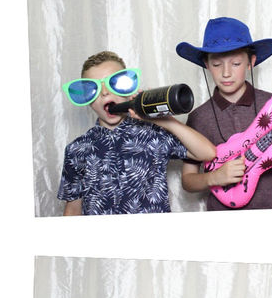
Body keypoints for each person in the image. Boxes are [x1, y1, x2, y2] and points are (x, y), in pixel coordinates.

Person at [176, 18, 272, 210]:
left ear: (251, 62)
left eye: (236, 63)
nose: (226, 73)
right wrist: (214, 177)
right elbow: (188, 180)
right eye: (217, 64)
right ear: (206, 65)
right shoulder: (199, 117)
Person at [57, 51, 217, 215]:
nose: (105, 92)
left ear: (127, 89)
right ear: (87, 99)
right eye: (94, 88)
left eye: (114, 83)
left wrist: (164, 120)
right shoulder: (76, 149)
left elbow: (207, 153)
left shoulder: (153, 133)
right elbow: (73, 208)